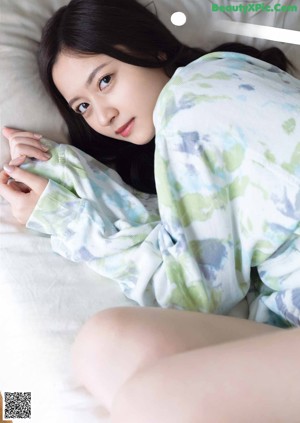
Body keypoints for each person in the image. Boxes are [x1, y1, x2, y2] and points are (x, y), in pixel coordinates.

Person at [0, 0, 300, 421]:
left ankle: (21, 413)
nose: (102, 115)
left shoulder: (193, 103)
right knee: (104, 345)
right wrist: (62, 169)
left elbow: (195, 292)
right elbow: (185, 239)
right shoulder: (214, 87)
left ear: (151, 49)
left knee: (148, 395)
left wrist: (64, 217)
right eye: (82, 107)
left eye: (105, 81)